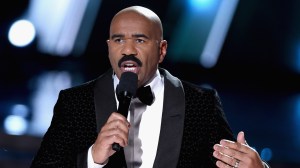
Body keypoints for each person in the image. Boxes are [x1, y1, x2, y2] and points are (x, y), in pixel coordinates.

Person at [30, 5, 270, 168]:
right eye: (119, 40)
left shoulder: (200, 103)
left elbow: (229, 164)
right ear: (109, 47)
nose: (128, 50)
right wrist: (93, 158)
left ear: (162, 49)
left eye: (140, 40)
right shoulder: (75, 101)